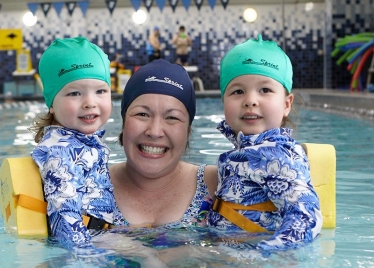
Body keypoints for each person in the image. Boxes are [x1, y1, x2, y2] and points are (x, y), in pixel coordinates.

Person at [208, 35, 323, 250]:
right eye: (238, 91)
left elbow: (307, 216)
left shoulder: (279, 155)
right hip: (231, 256)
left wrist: (266, 254)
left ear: (286, 103)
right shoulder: (247, 150)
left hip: (257, 265)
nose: (250, 100)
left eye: (265, 90)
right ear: (223, 102)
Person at [110, 59, 218, 228]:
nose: (154, 131)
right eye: (142, 114)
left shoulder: (217, 185)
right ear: (123, 124)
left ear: (188, 132)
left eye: (172, 117)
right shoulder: (88, 186)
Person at [30, 37, 114, 251]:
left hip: (99, 239)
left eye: (100, 91)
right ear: (51, 103)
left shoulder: (77, 142)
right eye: (74, 93)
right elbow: (65, 218)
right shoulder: (62, 151)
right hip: (86, 251)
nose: (90, 102)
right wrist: (87, 260)